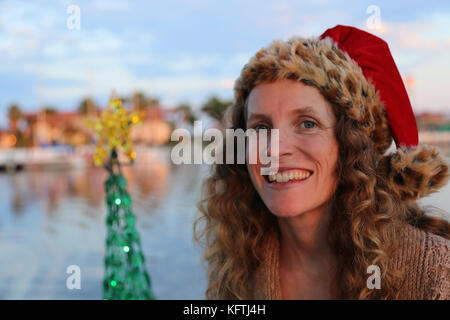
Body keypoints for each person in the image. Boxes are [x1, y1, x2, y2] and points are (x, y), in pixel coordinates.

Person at [194, 25, 450, 300]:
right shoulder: (236, 263)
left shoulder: (436, 275)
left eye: (307, 123)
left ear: (352, 146)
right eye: (260, 127)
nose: (274, 150)